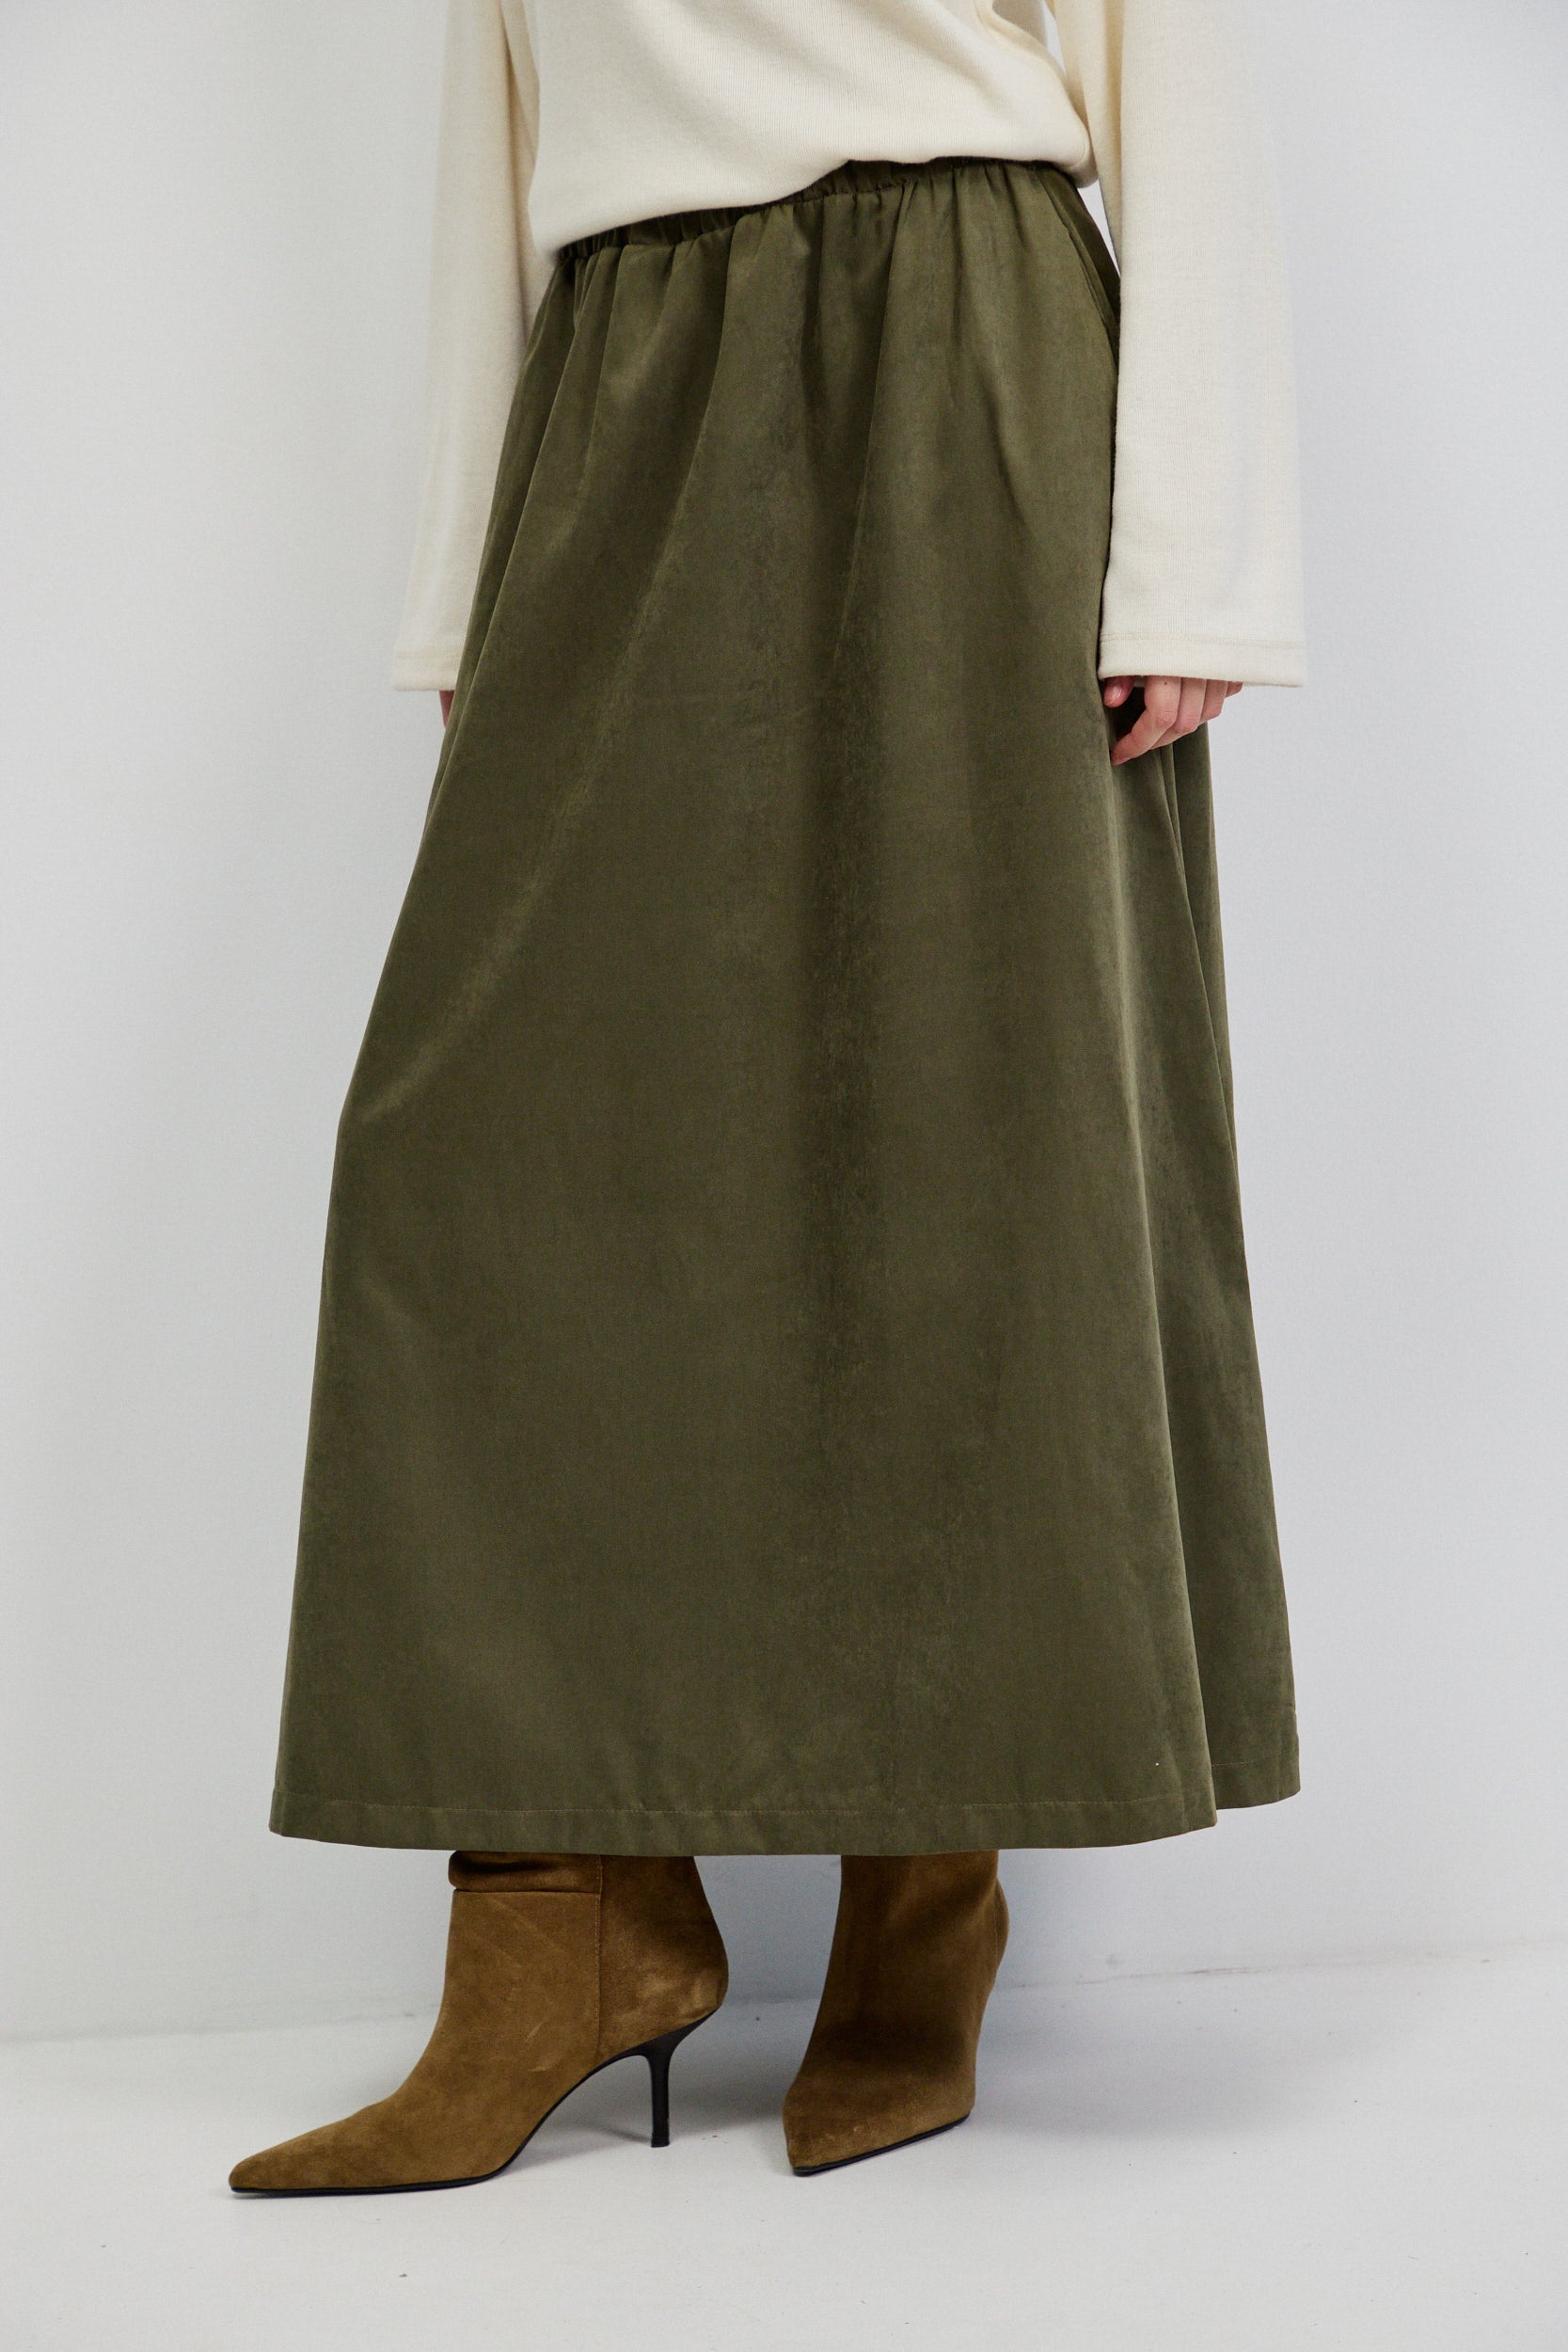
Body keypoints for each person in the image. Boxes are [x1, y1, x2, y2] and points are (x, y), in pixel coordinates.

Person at [230, 0, 1303, 2193]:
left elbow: (1172, 66)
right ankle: (568, 1924)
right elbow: (495, 125)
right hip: (620, 386)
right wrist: (462, 588)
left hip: (973, 351)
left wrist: (1194, 553)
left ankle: (925, 1883)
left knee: (968, 1128)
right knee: (481, 1154)